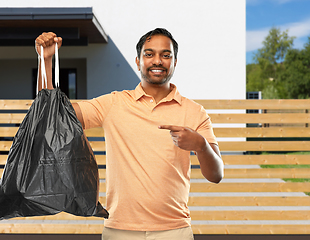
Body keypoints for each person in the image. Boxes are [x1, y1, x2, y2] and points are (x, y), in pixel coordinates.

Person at [35, 28, 224, 240]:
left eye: (166, 55)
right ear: (138, 61)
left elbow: (216, 175)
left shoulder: (194, 112)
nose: (157, 61)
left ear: (175, 62)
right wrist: (46, 62)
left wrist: (202, 146)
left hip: (174, 231)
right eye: (149, 54)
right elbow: (52, 116)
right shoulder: (114, 104)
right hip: (119, 231)